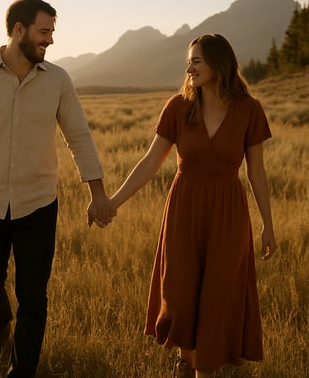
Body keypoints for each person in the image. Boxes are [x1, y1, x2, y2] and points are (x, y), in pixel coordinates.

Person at [0, 0, 115, 378]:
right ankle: (1, 326)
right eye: (43, 31)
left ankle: (22, 370)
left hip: (38, 203)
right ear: (18, 30)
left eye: (52, 32)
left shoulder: (58, 80)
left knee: (33, 295)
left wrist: (97, 193)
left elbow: (79, 137)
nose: (49, 40)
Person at [106, 34, 276, 377]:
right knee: (180, 296)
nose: (189, 67)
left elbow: (257, 172)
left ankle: (204, 371)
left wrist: (268, 225)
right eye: (188, 61)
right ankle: (185, 362)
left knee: (217, 299)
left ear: (218, 62)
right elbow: (150, 162)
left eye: (196, 60)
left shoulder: (249, 109)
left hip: (229, 215)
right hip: (184, 211)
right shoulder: (178, 106)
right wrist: (113, 202)